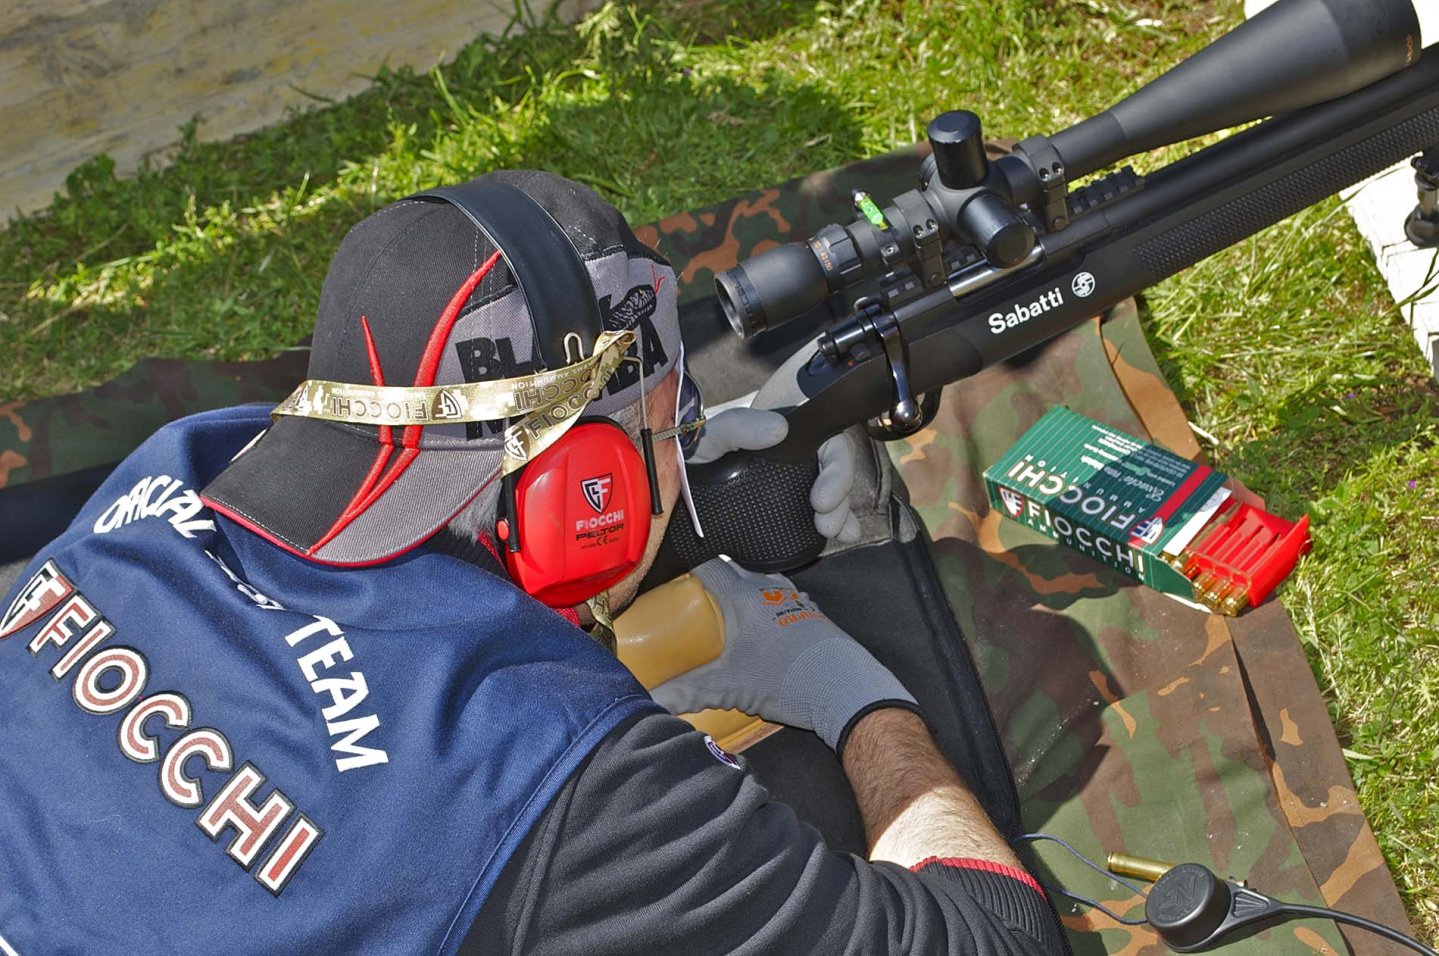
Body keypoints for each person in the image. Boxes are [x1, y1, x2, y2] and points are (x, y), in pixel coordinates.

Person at [0, 171, 1064, 954]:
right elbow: (998, 939)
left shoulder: (187, 459)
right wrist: (855, 696)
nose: (681, 450)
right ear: (581, 493)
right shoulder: (553, 776)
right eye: (668, 421)